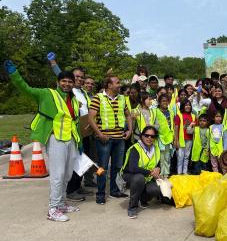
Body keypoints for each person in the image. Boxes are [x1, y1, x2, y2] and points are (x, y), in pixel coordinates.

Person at [5, 60, 82, 221]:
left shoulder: (73, 100)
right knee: (58, 174)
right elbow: (25, 89)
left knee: (67, 174)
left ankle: (61, 204)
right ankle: (53, 209)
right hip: (55, 140)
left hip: (71, 141)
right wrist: (14, 74)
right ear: (58, 82)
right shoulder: (47, 94)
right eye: (64, 81)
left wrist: (79, 143)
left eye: (69, 81)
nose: (67, 84)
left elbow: (74, 123)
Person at [47, 54, 93, 200]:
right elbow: (60, 75)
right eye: (77, 77)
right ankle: (70, 191)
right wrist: (53, 62)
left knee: (82, 161)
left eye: (82, 77)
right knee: (72, 163)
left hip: (85, 131)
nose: (79, 79)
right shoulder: (69, 90)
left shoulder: (85, 93)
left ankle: (78, 186)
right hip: (71, 131)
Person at [88, 74, 133, 204]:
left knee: (117, 166)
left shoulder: (122, 99)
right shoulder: (98, 98)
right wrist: (100, 134)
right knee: (102, 167)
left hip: (119, 139)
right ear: (109, 85)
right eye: (117, 82)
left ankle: (114, 191)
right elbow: (91, 119)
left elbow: (128, 115)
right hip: (104, 139)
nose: (119, 85)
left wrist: (129, 130)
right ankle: (100, 194)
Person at [121, 126, 162, 219]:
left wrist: (158, 169)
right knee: (139, 178)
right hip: (129, 176)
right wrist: (150, 172)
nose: (149, 138)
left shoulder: (156, 149)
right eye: (146, 135)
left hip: (146, 177)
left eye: (152, 136)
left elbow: (158, 164)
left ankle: (143, 199)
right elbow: (132, 168)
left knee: (157, 189)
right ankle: (132, 207)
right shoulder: (135, 148)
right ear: (141, 136)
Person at [155, 94, 175, 178]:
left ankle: (166, 174)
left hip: (169, 138)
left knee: (167, 157)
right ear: (159, 102)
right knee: (160, 158)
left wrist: (174, 138)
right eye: (163, 101)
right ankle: (160, 175)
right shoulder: (155, 111)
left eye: (166, 101)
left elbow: (173, 125)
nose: (165, 102)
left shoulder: (171, 112)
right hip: (159, 139)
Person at [174, 100, 195, 175]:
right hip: (181, 140)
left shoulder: (193, 116)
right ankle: (179, 173)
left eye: (189, 105)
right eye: (186, 105)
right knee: (180, 157)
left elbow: (194, 128)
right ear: (183, 106)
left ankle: (185, 172)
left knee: (186, 157)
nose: (188, 106)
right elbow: (176, 129)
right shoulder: (179, 115)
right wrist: (176, 140)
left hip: (189, 139)